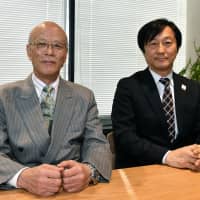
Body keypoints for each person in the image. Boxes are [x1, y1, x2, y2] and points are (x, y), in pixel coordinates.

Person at [0, 21, 112, 196]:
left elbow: (97, 143)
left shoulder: (84, 96)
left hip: (72, 191)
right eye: (42, 44)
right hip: (21, 192)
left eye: (57, 46)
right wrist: (23, 176)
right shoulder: (4, 96)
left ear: (65, 54)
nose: (49, 52)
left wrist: (88, 171)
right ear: (29, 51)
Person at [111, 18, 200, 170]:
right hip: (143, 171)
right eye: (153, 44)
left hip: (186, 170)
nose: (161, 50)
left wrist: (197, 153)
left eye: (167, 43)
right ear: (144, 50)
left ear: (177, 47)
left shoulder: (193, 88)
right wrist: (167, 156)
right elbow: (125, 137)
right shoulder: (128, 87)